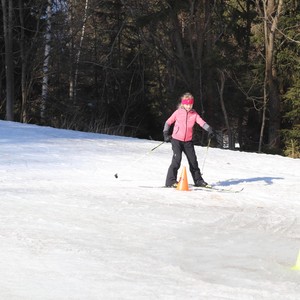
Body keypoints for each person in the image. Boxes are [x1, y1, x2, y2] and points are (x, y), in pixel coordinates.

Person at [163, 92, 214, 188]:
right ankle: (170, 181)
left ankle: (198, 181)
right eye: (187, 104)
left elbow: (201, 122)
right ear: (183, 104)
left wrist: (209, 129)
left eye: (191, 104)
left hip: (188, 142)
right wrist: (165, 133)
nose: (189, 106)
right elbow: (168, 122)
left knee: (193, 161)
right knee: (177, 160)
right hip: (176, 140)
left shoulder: (194, 114)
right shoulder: (178, 112)